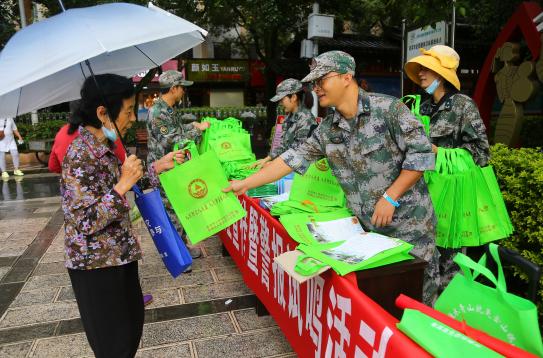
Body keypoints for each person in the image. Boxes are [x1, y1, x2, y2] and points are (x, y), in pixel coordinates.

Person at [225, 51, 440, 304]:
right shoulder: (328, 129)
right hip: (369, 234)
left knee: (417, 304)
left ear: (346, 76)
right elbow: (291, 159)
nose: (316, 89)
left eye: (321, 80)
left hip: (409, 230)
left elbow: (422, 156)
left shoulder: (389, 110)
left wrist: (390, 197)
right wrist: (245, 184)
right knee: (379, 305)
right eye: (314, 83)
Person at [61, 74, 184, 357]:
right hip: (96, 266)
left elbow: (123, 181)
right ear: (103, 113)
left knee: (130, 331)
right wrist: (121, 186)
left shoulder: (103, 146)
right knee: (113, 345)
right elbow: (85, 220)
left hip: (119, 254)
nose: (132, 118)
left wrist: (158, 166)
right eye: (128, 111)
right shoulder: (79, 154)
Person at [405, 45, 491, 289]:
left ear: (442, 74)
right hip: (423, 198)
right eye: (420, 69)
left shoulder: (463, 106)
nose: (421, 73)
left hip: (452, 202)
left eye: (427, 69)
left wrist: (438, 153)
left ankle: (448, 320)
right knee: (423, 262)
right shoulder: (421, 108)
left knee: (450, 270)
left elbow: (481, 154)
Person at [147, 70, 210, 260]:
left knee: (178, 209)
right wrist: (197, 131)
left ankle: (182, 247)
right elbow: (172, 140)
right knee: (171, 213)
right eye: (182, 88)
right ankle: (178, 256)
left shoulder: (169, 109)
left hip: (175, 167)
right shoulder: (157, 112)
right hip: (165, 170)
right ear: (173, 88)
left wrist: (193, 126)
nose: (183, 91)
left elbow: (179, 130)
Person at [251, 78, 318, 168]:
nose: (280, 104)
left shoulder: (306, 119)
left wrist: (273, 165)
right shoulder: (288, 118)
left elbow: (299, 152)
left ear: (293, 97)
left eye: (282, 100)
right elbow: (283, 146)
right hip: (289, 168)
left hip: (304, 172)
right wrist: (267, 159)